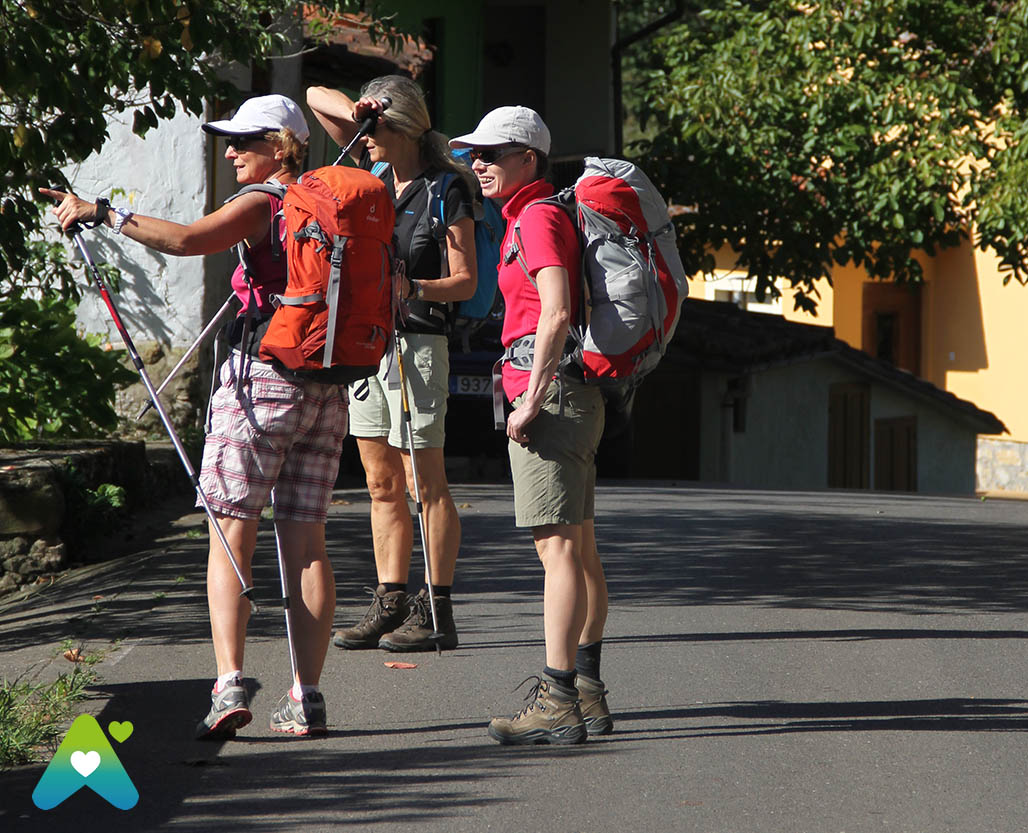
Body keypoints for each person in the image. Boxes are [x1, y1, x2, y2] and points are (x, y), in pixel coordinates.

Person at [42, 94, 343, 738]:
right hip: (327, 386)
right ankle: (307, 695)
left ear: (282, 146)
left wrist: (103, 212)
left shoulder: (265, 201)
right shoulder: (334, 204)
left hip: (262, 378)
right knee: (306, 540)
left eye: (244, 141)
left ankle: (230, 682)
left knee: (231, 531)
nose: (230, 150)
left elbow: (185, 240)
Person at [450, 107, 612, 745]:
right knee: (581, 548)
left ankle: (556, 696)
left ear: (530, 160)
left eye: (493, 153)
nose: (478, 163)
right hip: (571, 396)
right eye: (474, 154)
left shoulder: (540, 217)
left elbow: (556, 313)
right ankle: (588, 691)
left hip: (550, 396)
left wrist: (531, 398)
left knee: (559, 552)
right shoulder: (532, 215)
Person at [306, 76, 475, 654]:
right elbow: (312, 96)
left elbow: (467, 281)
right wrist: (362, 112)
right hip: (369, 347)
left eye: (373, 130)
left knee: (423, 482)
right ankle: (391, 600)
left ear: (401, 126)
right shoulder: (371, 179)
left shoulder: (445, 189)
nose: (363, 139)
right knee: (380, 484)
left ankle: (438, 608)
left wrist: (415, 287)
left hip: (419, 345)